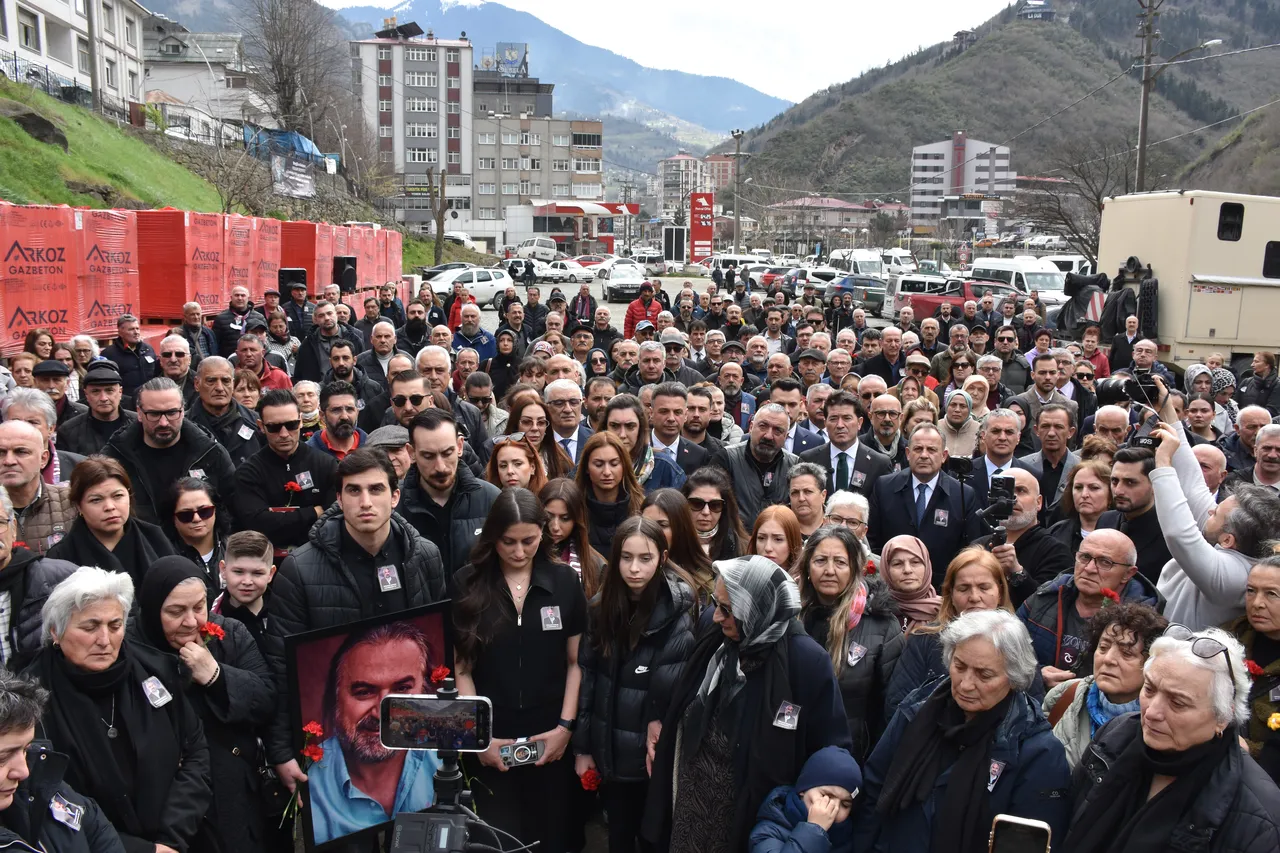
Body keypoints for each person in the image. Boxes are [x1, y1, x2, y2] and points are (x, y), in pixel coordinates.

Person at [263, 450, 447, 795]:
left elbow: (439, 653)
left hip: (414, 732)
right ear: (338, 498)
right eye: (354, 491)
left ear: (394, 496)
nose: (366, 502)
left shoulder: (425, 556)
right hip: (339, 738)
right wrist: (281, 751)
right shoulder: (300, 570)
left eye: (376, 490)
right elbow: (280, 668)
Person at [642, 555, 853, 853]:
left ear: (757, 609)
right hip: (692, 803)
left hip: (750, 817)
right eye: (716, 603)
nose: (717, 616)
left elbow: (831, 748)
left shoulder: (806, 660)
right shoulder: (717, 636)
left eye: (728, 609)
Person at [24, 567, 213, 853]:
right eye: (90, 627)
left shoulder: (155, 670)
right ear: (55, 631)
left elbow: (195, 752)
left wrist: (170, 839)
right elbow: (41, 795)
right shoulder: (31, 698)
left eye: (115, 625)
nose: (105, 639)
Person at [853, 610, 1071, 853]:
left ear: (1013, 677)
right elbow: (875, 790)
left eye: (984, 674)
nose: (966, 684)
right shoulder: (918, 708)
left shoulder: (1037, 752)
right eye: (959, 666)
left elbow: (1025, 843)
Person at [1061, 625, 1280, 853]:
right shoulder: (1115, 735)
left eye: (1178, 703)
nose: (1152, 712)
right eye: (1149, 689)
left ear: (1223, 717)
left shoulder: (1259, 817)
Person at [453, 488, 586, 853]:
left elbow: (576, 662)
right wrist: (478, 738)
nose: (518, 551)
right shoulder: (467, 584)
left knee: (554, 836)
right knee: (496, 840)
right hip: (493, 735)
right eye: (507, 542)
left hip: (551, 732)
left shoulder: (564, 582)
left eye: (528, 540)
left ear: (543, 533)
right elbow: (461, 669)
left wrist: (565, 728)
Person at [134, 555, 275, 853]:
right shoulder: (131, 646)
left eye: (198, 607)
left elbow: (265, 699)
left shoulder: (230, 634)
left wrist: (216, 676)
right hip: (169, 804)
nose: (191, 622)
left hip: (232, 791)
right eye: (175, 611)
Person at [574, 517, 696, 853]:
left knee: (655, 839)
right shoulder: (601, 607)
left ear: (663, 558)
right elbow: (587, 678)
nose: (635, 569)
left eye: (645, 558)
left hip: (650, 755)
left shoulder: (677, 611)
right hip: (609, 750)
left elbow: (671, 682)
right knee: (619, 837)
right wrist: (583, 748)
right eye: (626, 558)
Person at [308, 620, 442, 844]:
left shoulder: (447, 755)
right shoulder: (309, 779)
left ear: (425, 691)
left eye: (401, 689)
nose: (383, 714)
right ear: (335, 699)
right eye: (364, 692)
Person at [1147, 421, 1280, 630]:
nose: (1210, 509)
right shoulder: (1233, 541)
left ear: (1228, 540)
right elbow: (1194, 487)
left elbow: (1179, 534)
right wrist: (1169, 414)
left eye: (1216, 513)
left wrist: (1163, 462)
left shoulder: (1236, 577)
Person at [798, 526, 901, 762]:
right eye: (821, 560)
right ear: (807, 566)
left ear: (855, 568)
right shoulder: (791, 617)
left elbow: (891, 707)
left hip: (851, 756)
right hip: (792, 749)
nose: (829, 570)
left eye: (840, 562)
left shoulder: (881, 625)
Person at [882, 547, 1020, 713]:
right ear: (950, 594)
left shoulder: (1016, 640)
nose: (974, 597)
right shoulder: (924, 639)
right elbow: (898, 706)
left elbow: (1028, 708)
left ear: (999, 592)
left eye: (984, 587)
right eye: (964, 588)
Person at [1041, 602, 1168, 768]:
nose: (1108, 659)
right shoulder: (1066, 694)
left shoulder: (1159, 722)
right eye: (1103, 647)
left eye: (1126, 653)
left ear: (1152, 664)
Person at [102, 377, 236, 528]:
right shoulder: (115, 458)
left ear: (183, 411)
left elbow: (234, 506)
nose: (163, 422)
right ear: (139, 413)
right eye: (154, 414)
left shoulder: (210, 453)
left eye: (172, 413)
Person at [867, 423, 983, 587]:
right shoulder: (884, 487)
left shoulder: (963, 494)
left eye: (931, 450)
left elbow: (970, 549)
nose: (924, 455)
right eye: (918, 449)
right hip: (891, 588)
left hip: (942, 589)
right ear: (908, 453)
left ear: (944, 456)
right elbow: (872, 539)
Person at [397, 409, 500, 579]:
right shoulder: (393, 505)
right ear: (411, 453)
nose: (440, 467)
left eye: (447, 453)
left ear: (460, 446)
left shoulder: (491, 499)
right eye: (428, 456)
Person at [234, 389, 339, 555]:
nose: (283, 434)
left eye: (291, 425)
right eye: (274, 427)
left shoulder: (325, 464)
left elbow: (335, 517)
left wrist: (278, 519)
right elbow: (257, 523)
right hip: (266, 562)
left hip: (320, 554)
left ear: (301, 422)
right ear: (261, 426)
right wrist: (314, 512)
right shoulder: (248, 472)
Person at [47, 457, 173, 589]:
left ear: (129, 496)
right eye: (96, 500)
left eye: (118, 496)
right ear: (78, 506)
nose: (109, 506)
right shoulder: (61, 556)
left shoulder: (154, 538)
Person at [973, 468, 1075, 608]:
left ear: (1039, 502)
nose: (1012, 499)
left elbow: (1049, 608)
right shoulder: (977, 546)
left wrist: (1017, 573)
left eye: (1021, 491)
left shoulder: (1055, 551)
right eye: (1004, 491)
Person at [1227, 553, 1280, 783]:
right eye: (1251, 591)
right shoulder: (1226, 643)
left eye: (1271, 594)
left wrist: (1245, 750)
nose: (1257, 603)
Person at [749, 746, 863, 853]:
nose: (835, 807)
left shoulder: (848, 837)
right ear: (802, 790)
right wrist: (814, 830)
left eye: (845, 804)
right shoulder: (770, 831)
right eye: (827, 796)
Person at [0, 420, 75, 557]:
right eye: (1, 452)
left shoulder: (71, 502)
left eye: (21, 452)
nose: (9, 461)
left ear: (43, 459)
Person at [576, 431, 646, 556]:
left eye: (614, 464)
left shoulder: (642, 509)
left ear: (624, 466)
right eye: (599, 464)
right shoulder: (574, 509)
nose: (607, 472)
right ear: (586, 467)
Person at [186, 357, 263, 468]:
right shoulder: (184, 425)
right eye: (211, 381)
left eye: (225, 381)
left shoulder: (256, 422)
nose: (219, 388)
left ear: (232, 384)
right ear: (197, 384)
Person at [604, 395, 686, 494]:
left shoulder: (665, 468)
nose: (622, 435)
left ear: (640, 429)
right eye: (614, 426)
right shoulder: (590, 465)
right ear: (605, 428)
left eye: (630, 426)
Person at [211, 530, 276, 652]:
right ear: (223, 570)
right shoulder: (210, 618)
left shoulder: (286, 612)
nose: (247, 581)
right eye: (238, 572)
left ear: (270, 574)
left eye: (257, 573)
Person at [541, 478, 605, 599]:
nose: (555, 527)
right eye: (548, 516)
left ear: (576, 520)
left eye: (564, 518)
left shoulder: (595, 565)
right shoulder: (525, 556)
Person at [56, 362, 136, 458]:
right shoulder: (68, 431)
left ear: (120, 392)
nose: (103, 398)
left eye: (109, 391)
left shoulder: (139, 424)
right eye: (95, 391)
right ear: (86, 395)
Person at [167, 477, 228, 596]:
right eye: (186, 515)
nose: (196, 519)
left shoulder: (235, 549)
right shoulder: (163, 555)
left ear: (216, 510)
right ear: (173, 518)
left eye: (204, 511)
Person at [682, 466, 748, 564]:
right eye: (696, 503)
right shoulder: (671, 542)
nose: (706, 512)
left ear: (725, 508)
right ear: (684, 503)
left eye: (715, 505)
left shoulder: (742, 549)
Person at [1047, 459, 1114, 554]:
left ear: (1111, 493)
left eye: (1094, 488)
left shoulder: (1123, 532)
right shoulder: (1055, 532)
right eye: (1078, 487)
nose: (1084, 494)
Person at [880, 535, 941, 634]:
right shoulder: (874, 612)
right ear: (886, 570)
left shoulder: (946, 610)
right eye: (897, 564)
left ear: (927, 566)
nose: (907, 570)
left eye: (915, 562)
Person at [99, 315, 156, 398]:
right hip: (124, 401)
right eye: (131, 329)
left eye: (137, 328)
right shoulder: (108, 354)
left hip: (150, 398)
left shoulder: (148, 349)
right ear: (120, 332)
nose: (136, 332)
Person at [788, 463, 829, 539]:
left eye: (808, 491)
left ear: (823, 495)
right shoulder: (779, 524)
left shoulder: (837, 524)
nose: (801, 498)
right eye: (795, 492)